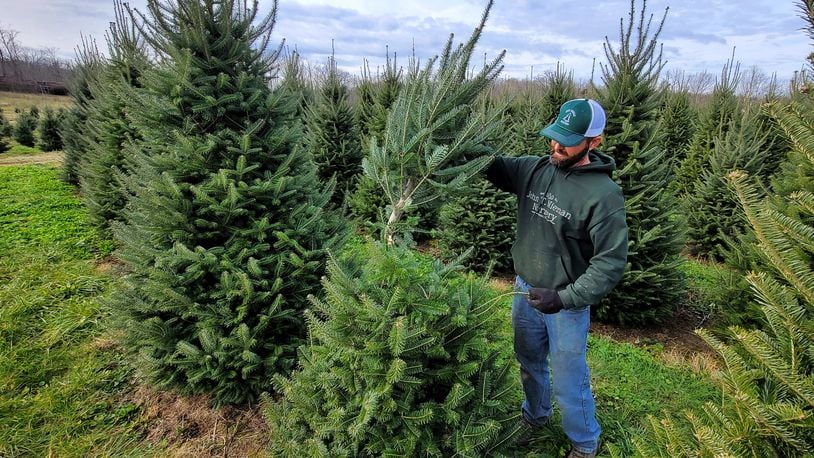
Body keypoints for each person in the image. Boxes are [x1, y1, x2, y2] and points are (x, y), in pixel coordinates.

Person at [484, 98, 628, 458]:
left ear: (594, 142)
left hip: (565, 304)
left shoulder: (603, 196)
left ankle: (584, 443)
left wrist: (563, 299)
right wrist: (460, 137)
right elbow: (491, 165)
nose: (556, 146)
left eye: (567, 141)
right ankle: (535, 416)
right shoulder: (535, 169)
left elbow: (610, 263)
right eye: (554, 137)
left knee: (568, 378)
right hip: (524, 292)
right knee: (528, 361)